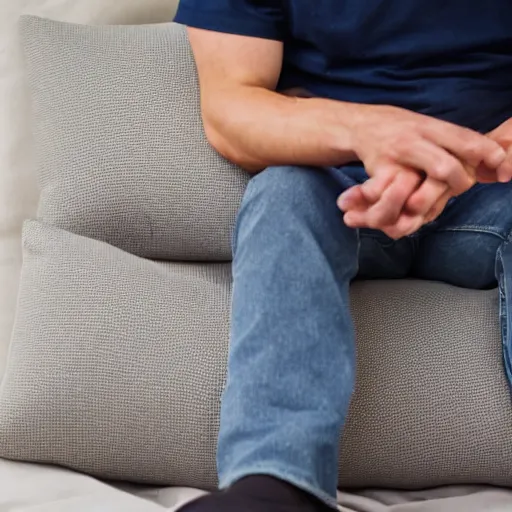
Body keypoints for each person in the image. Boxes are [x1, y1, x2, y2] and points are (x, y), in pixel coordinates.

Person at [174, 2, 512, 511]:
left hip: (495, 178)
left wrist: (458, 160)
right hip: (333, 175)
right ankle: (277, 486)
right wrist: (368, 132)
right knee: (282, 195)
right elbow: (230, 110)